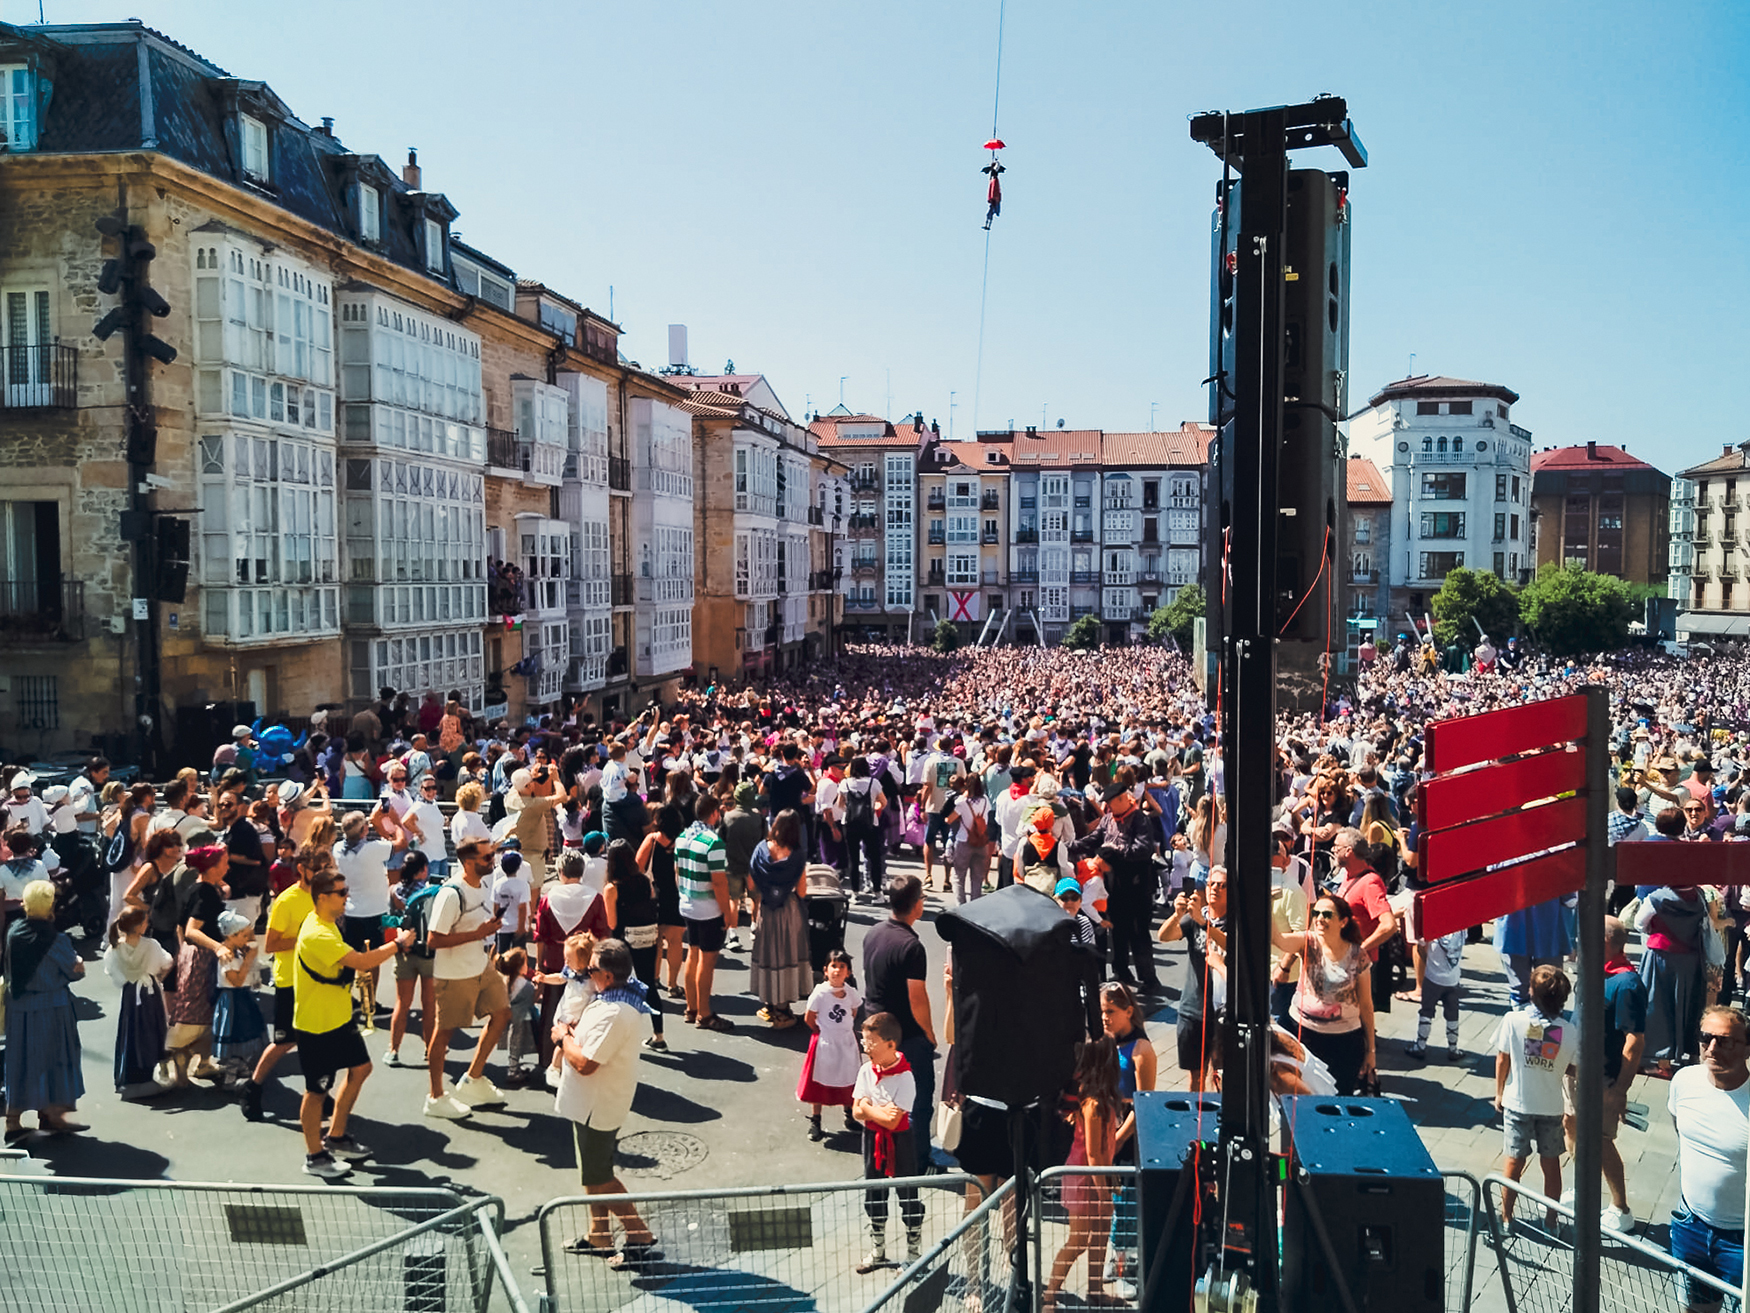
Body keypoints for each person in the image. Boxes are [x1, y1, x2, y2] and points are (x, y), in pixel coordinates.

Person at [293, 868, 412, 1177]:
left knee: (361, 1068)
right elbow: (361, 961)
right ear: (322, 897)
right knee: (316, 1091)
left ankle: (336, 1136)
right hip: (317, 1024)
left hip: (339, 1017)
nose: (348, 896)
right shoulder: (317, 933)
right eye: (341, 892)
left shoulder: (329, 924)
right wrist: (398, 944)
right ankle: (314, 1157)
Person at [551, 937, 661, 1269]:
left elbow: (586, 1064)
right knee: (592, 1172)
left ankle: (638, 1233)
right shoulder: (613, 998)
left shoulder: (615, 1012)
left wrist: (562, 1038)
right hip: (590, 1102)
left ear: (608, 976)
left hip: (597, 1104)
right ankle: (599, 1233)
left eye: (591, 969)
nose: (586, 973)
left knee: (600, 1177)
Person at [1565, 916, 1646, 1234]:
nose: (1579, 940)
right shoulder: (1593, 970)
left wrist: (1619, 1090)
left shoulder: (1626, 984)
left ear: (1604, 941)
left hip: (1602, 1079)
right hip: (1575, 1072)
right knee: (1571, 1126)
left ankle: (1620, 1208)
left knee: (1599, 1141)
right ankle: (1583, 1187)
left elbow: (1635, 1042)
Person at [424, 835, 513, 1118]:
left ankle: (473, 1078)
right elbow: (433, 940)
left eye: (492, 854)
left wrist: (487, 930)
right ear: (469, 862)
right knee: (444, 1033)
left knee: (502, 1014)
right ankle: (435, 1097)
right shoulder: (451, 894)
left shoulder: (483, 884)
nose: (493, 860)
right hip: (454, 975)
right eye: (487, 857)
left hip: (480, 965)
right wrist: (477, 934)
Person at [1668, 1004, 1750, 1308]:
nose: (1712, 1048)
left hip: (1742, 1241)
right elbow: (1680, 1129)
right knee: (1695, 1307)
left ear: (1747, 1049)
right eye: (1706, 1038)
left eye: (1725, 1041)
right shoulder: (1683, 1081)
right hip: (1690, 1225)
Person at [238, 848, 321, 1121]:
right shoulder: (286, 901)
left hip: (317, 980)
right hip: (291, 980)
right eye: (317, 868)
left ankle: (318, 1093)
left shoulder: (323, 897)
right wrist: (305, 939)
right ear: (303, 870)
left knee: (316, 1040)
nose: (323, 872)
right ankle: (253, 1088)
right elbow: (271, 944)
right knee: (284, 1042)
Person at [1494, 964, 1578, 1226]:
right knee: (1551, 1164)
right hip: (1551, 1106)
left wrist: (1499, 1093)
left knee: (1513, 1162)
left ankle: (1506, 1218)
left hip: (1518, 1102)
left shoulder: (1513, 1020)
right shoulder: (1569, 1031)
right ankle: (1551, 1221)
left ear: (1532, 992)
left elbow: (1502, 1059)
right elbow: (1574, 1067)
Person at [3, 880, 86, 1140]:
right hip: (52, 1008)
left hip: (19, 1009)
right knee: (55, 1061)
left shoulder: (14, 932)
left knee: (20, 1062)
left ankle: (13, 1120)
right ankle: (53, 1115)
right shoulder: (57, 940)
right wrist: (79, 964)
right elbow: (74, 972)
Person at [1272, 891, 1377, 1097]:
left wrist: (1371, 1051)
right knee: (1303, 1097)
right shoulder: (1308, 941)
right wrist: (1268, 903)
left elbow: (1366, 1005)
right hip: (1303, 1033)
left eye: (1327, 915)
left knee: (1339, 1098)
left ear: (1343, 922)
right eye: (1316, 913)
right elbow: (1278, 940)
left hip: (1344, 1042)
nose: (1319, 918)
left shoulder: (1358, 956)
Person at [862, 874, 936, 1165]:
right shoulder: (911, 946)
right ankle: (917, 1161)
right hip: (905, 1035)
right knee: (917, 1101)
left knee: (882, 1098)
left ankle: (885, 1157)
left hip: (875, 1031)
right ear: (916, 904)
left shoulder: (873, 933)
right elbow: (917, 997)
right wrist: (928, 1033)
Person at [1043, 1036, 1121, 1311]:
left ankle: (1095, 1290)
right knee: (1078, 1239)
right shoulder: (1092, 1104)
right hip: (1083, 1178)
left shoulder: (1102, 1098)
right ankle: (1049, 1295)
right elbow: (1093, 1154)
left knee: (1100, 1235)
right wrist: (1104, 1194)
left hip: (1098, 1176)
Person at [854, 1011, 925, 1273]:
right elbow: (855, 1111)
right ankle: (878, 1250)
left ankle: (914, 1253)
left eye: (871, 1043)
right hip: (871, 1139)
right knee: (874, 1194)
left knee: (908, 1195)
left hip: (900, 1141)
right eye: (864, 1042)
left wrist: (868, 1107)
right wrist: (876, 1111)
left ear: (891, 1044)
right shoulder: (866, 1071)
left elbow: (893, 1122)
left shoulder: (905, 1077)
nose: (866, 1048)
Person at [1159, 868, 1229, 1091]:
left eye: (1222, 885)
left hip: (1223, 1013)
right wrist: (1177, 915)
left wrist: (1204, 923)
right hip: (1193, 1009)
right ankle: (1197, 1112)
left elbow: (1232, 945)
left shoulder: (1234, 921)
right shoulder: (1195, 917)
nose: (1215, 888)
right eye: (1211, 884)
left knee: (1221, 1077)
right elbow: (1164, 936)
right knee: (1196, 1079)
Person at [675, 792, 734, 1032]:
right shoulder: (713, 842)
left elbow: (677, 872)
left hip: (687, 903)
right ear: (714, 813)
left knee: (693, 954)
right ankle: (705, 1013)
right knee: (707, 961)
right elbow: (719, 882)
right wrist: (727, 911)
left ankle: (691, 1008)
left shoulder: (682, 837)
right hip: (709, 909)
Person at [749, 808, 812, 1028]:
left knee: (768, 953)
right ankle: (783, 1009)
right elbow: (802, 891)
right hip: (788, 909)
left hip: (767, 908)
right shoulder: (797, 855)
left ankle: (769, 1003)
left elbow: (751, 882)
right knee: (787, 954)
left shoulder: (760, 850)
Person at [103, 905, 172, 1099]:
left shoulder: (115, 948)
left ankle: (131, 1072)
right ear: (139, 926)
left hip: (130, 995)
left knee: (131, 1030)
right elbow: (167, 962)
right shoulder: (151, 945)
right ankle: (152, 1068)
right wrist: (158, 977)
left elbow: (112, 972)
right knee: (153, 1029)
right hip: (150, 993)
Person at [799, 949, 862, 1141]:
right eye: (834, 966)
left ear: (848, 972)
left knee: (848, 1078)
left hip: (846, 1042)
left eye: (842, 966)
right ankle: (816, 1120)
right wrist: (823, 1031)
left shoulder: (851, 993)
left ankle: (849, 1114)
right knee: (819, 1081)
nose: (837, 970)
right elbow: (809, 1018)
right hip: (825, 1042)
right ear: (826, 970)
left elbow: (853, 1012)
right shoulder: (820, 993)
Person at [210, 909, 267, 1084]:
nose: (248, 939)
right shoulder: (227, 957)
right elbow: (236, 981)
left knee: (246, 1032)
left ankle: (240, 1066)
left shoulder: (239, 951)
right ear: (232, 935)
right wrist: (249, 960)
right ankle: (230, 1076)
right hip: (233, 1001)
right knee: (236, 1035)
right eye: (244, 935)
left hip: (243, 997)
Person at [719, 782, 766, 954]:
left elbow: (721, 839)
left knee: (733, 899)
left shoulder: (728, 817)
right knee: (756, 897)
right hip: (753, 866)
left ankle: (733, 934)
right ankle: (754, 927)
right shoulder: (758, 818)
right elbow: (765, 841)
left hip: (732, 864)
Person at [1408, 926, 1467, 1061]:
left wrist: (1429, 963)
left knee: (1426, 1012)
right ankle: (1453, 1048)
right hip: (1453, 980)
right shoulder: (1462, 929)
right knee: (1452, 1014)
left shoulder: (1432, 927)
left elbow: (1421, 948)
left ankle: (1420, 1046)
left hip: (1432, 977)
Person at [840, 756, 887, 902]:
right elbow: (883, 802)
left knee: (853, 859)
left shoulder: (845, 783)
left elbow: (840, 804)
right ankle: (878, 892)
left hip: (849, 822)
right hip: (870, 823)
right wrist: (874, 807)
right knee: (874, 857)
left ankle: (855, 893)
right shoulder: (874, 783)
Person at [948, 774, 993, 905]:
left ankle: (961, 905)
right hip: (981, 842)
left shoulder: (962, 802)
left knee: (958, 876)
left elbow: (949, 819)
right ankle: (975, 905)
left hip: (964, 840)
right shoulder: (985, 800)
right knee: (977, 877)